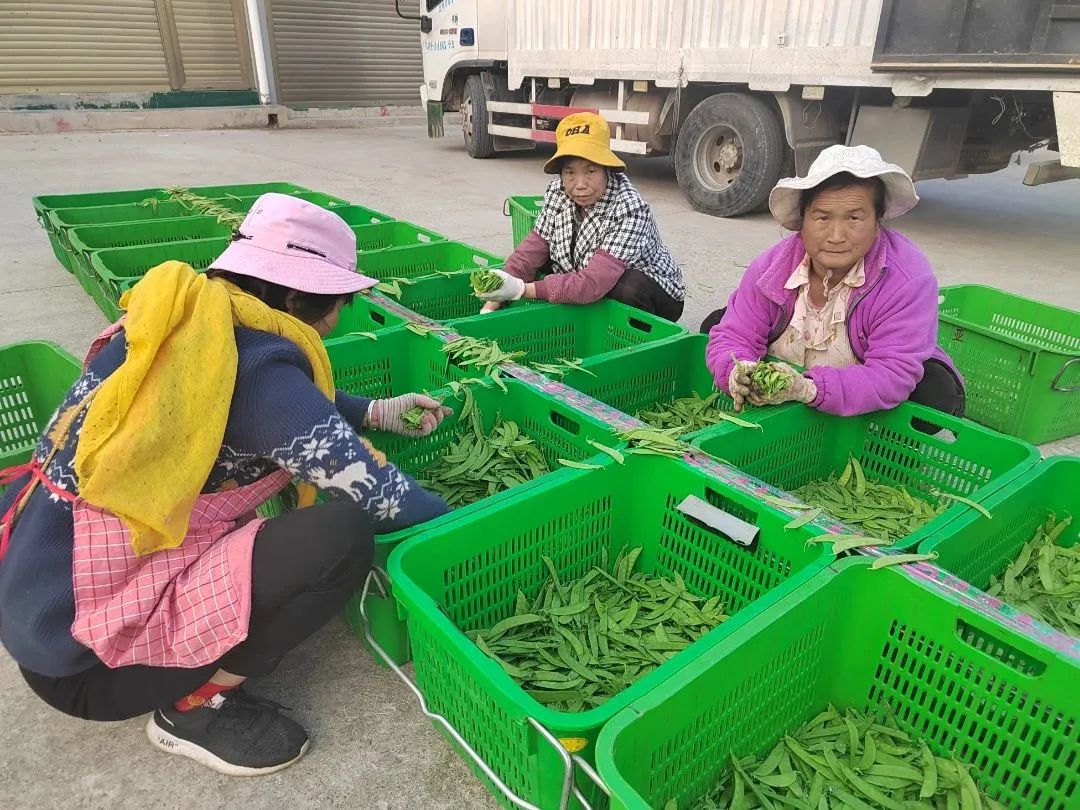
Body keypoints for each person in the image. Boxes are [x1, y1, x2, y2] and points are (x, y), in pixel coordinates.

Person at [0, 194, 453, 776]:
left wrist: (374, 412)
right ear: (294, 298)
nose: (341, 316)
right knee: (339, 535)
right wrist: (481, 523)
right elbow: (385, 497)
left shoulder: (188, 321)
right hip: (94, 666)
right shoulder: (254, 368)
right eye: (339, 302)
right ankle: (190, 708)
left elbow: (265, 405)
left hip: (41, 601)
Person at [703, 145, 964, 420]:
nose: (837, 235)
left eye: (854, 217)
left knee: (935, 392)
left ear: (878, 222)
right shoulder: (772, 269)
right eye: (822, 217)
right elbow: (735, 335)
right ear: (802, 221)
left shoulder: (908, 280)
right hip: (796, 362)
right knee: (716, 326)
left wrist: (808, 390)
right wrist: (738, 371)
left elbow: (892, 372)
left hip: (861, 385)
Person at [476, 112, 686, 321]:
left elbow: (593, 283)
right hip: (588, 273)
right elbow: (530, 252)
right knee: (540, 261)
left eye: (590, 171)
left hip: (655, 293)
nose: (580, 184)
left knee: (627, 288)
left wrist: (520, 289)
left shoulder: (630, 209)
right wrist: (495, 297)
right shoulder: (558, 191)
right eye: (570, 173)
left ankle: (634, 338)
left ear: (606, 170)